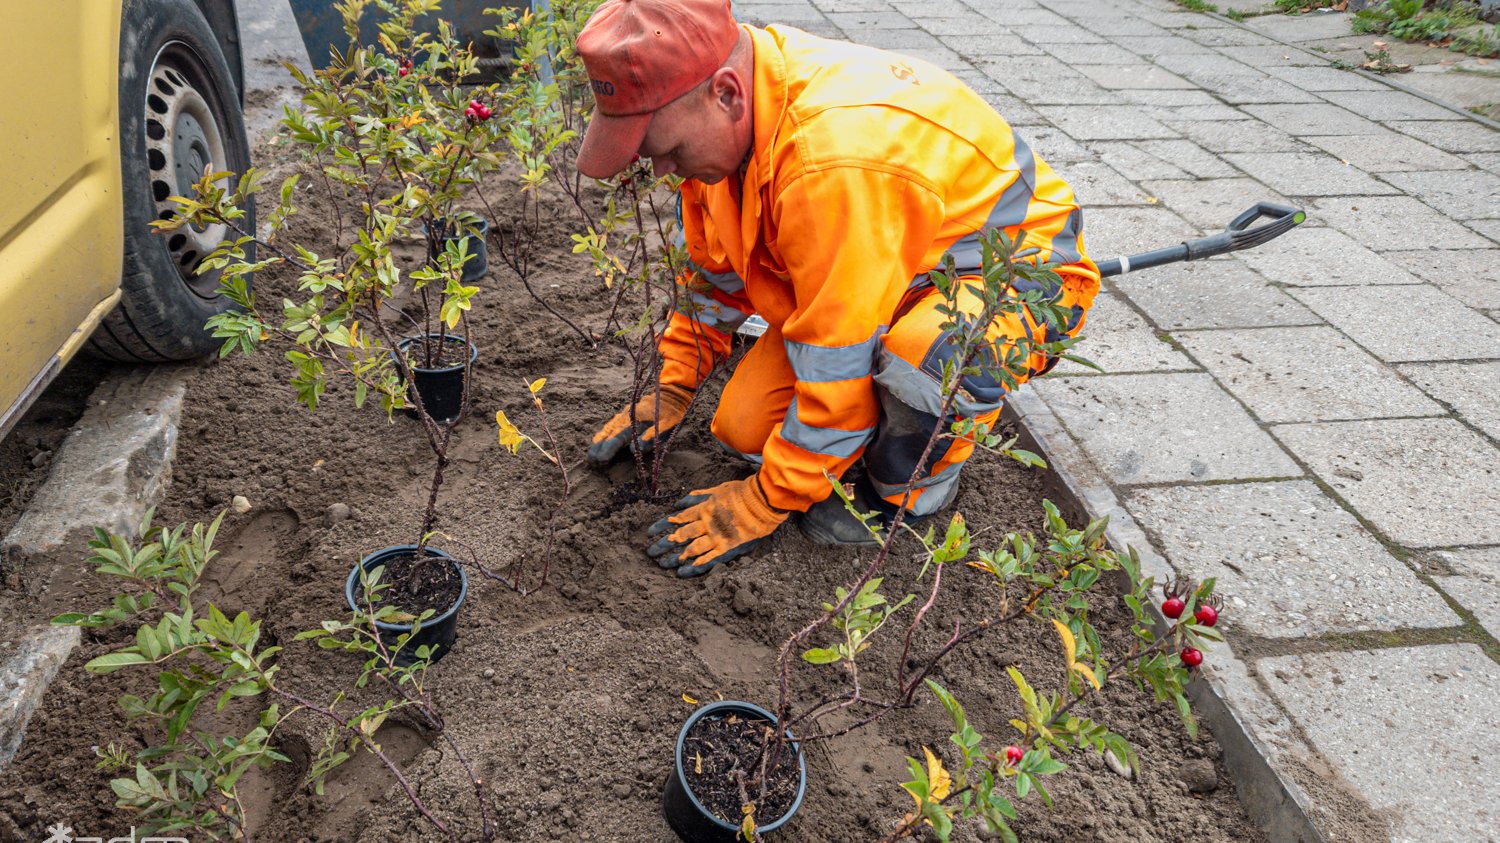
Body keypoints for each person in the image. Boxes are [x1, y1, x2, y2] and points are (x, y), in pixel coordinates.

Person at [575, 0, 1100, 577]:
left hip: (1009, 277)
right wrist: (671, 389)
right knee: (744, 428)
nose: (664, 169)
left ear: (726, 93)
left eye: (668, 149)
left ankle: (911, 490)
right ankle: (875, 414)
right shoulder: (726, 135)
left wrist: (765, 499)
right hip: (885, 264)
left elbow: (836, 354)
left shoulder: (829, 162)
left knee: (924, 359)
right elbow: (714, 280)